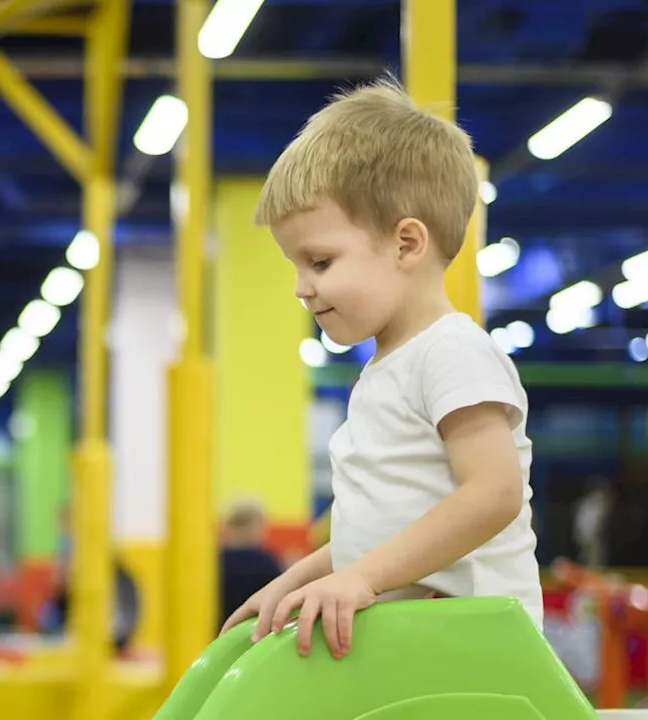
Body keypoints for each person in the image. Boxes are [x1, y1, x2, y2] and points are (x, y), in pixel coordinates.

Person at [220, 77, 541, 660]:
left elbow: (496, 493)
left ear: (407, 244)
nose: (301, 287)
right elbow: (377, 530)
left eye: (319, 261)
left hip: (476, 650)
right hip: (419, 648)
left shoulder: (452, 351)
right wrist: (295, 579)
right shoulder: (384, 370)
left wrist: (362, 579)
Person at [218, 499, 282, 633]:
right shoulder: (265, 562)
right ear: (255, 525)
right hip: (253, 633)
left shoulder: (216, 561)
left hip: (218, 634)